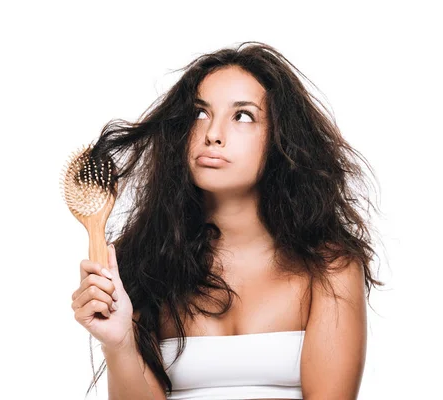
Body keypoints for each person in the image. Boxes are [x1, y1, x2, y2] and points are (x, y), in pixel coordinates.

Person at [70, 41, 384, 400]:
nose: (212, 134)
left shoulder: (330, 268)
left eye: (243, 116)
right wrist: (119, 341)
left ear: (280, 138)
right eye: (200, 113)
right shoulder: (143, 262)